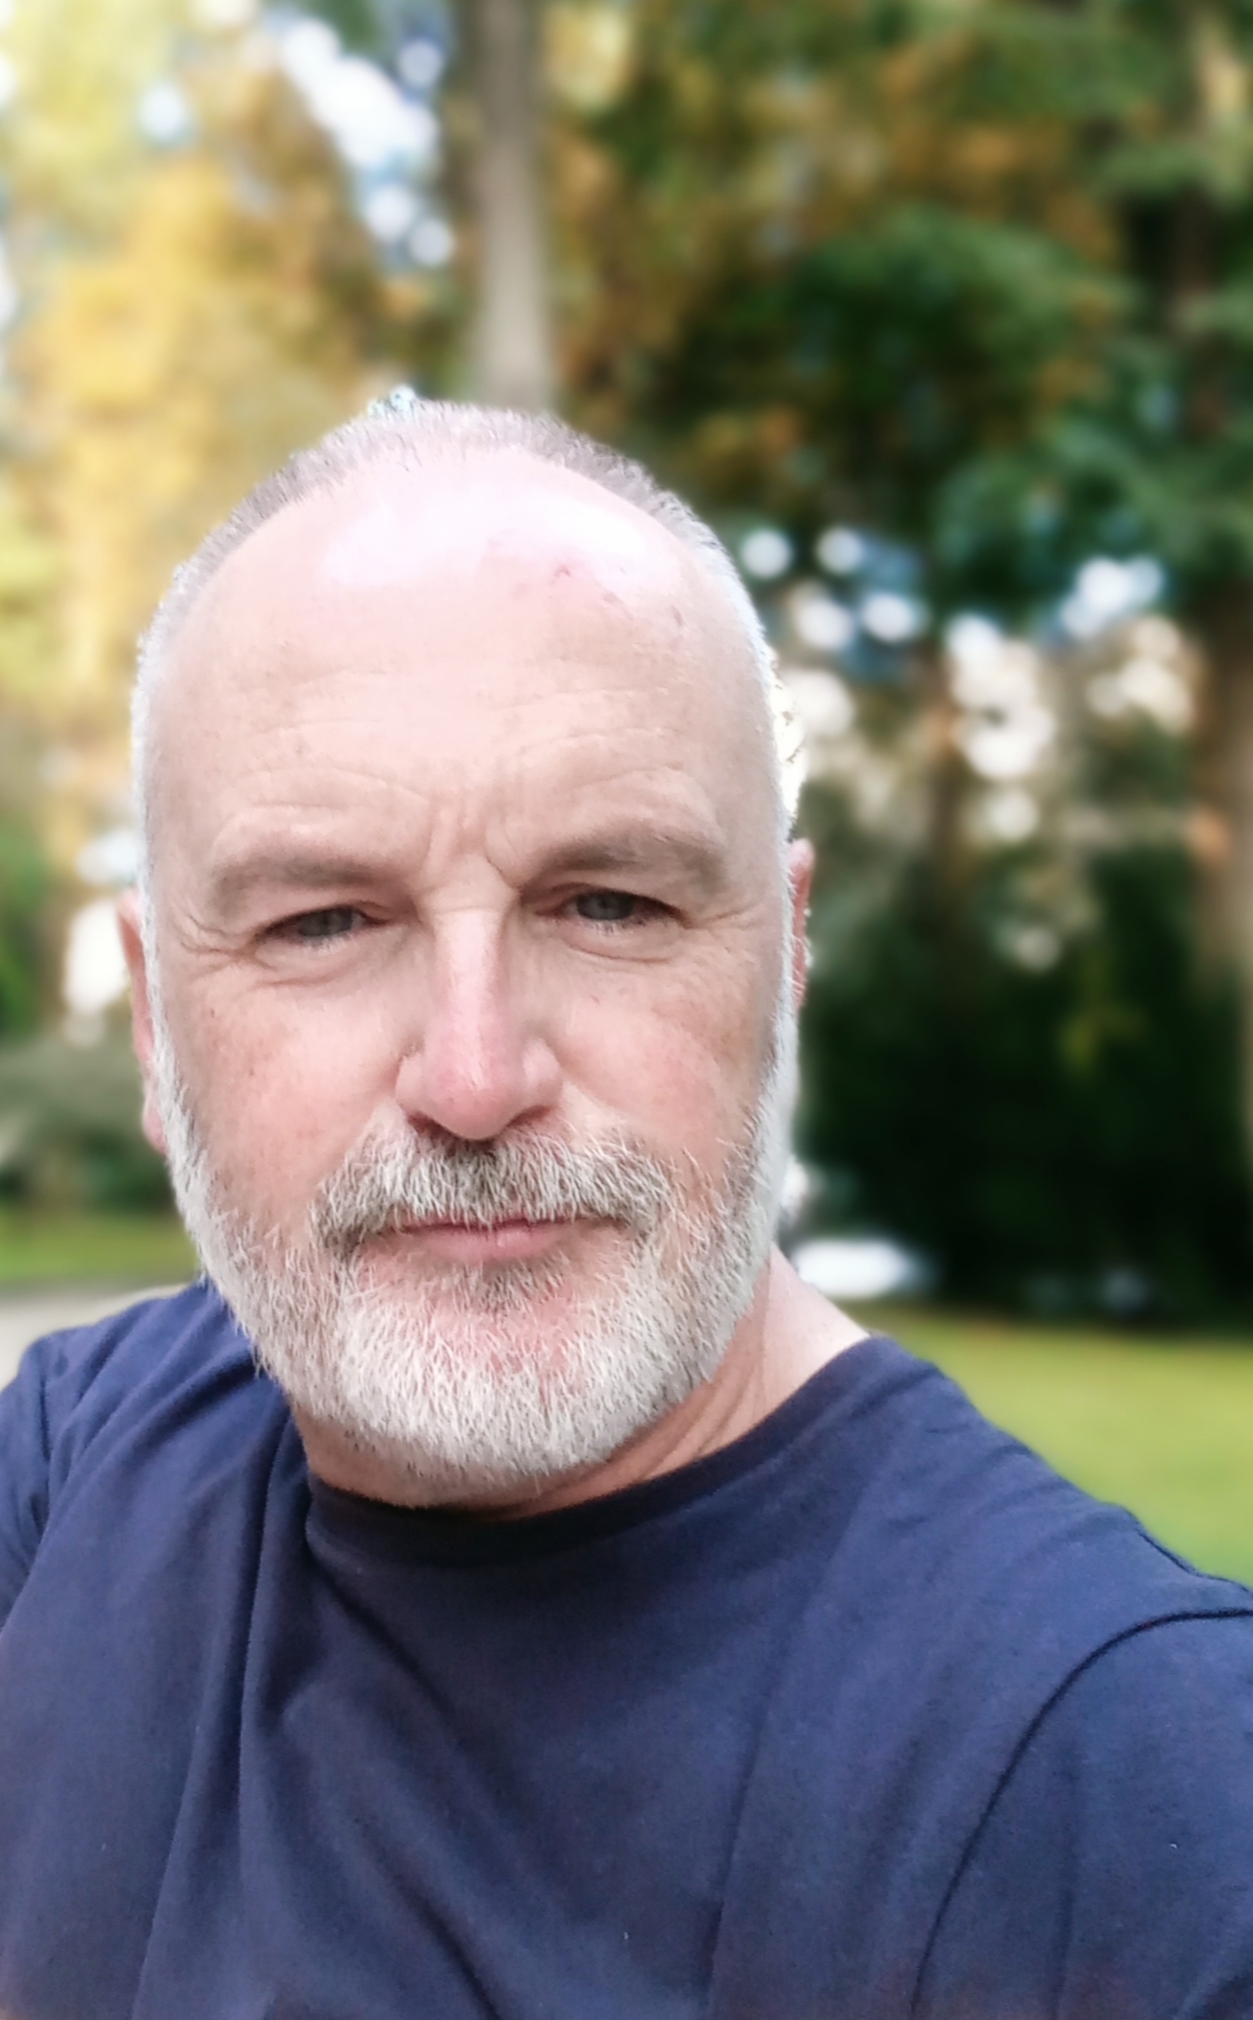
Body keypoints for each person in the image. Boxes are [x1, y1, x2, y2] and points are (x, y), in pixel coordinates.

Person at [1, 398, 1252, 2020]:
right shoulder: (79, 1467)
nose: (473, 1077)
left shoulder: (1134, 1798)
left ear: (785, 964)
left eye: (608, 903)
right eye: (322, 922)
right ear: (155, 1031)